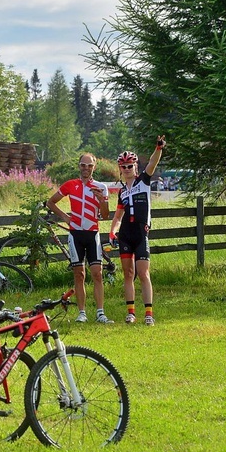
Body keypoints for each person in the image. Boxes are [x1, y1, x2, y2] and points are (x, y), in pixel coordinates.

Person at [46, 152, 113, 324]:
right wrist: (65, 218)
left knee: (97, 274)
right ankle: (82, 312)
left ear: (94, 167)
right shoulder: (71, 185)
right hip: (75, 234)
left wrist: (101, 200)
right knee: (79, 274)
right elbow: (51, 202)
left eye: (89, 165)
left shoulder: (101, 187)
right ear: (79, 166)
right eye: (83, 165)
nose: (86, 168)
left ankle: (100, 313)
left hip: (93, 233)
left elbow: (105, 215)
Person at [109, 135, 166, 325]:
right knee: (128, 274)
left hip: (141, 233)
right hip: (126, 235)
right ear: (120, 169)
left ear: (135, 167)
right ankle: (130, 312)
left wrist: (158, 148)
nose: (126, 169)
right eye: (123, 167)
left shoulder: (144, 180)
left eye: (130, 166)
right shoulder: (122, 191)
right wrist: (112, 231)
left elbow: (152, 163)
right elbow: (118, 217)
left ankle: (149, 313)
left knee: (143, 273)